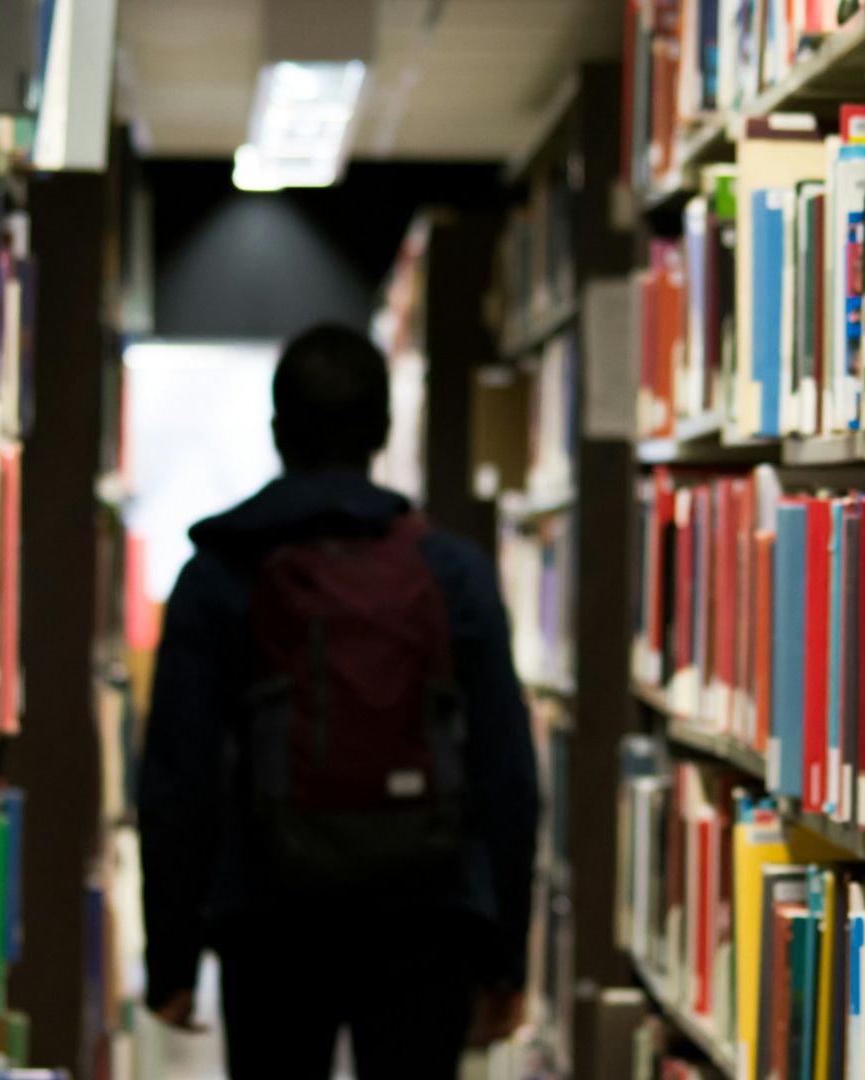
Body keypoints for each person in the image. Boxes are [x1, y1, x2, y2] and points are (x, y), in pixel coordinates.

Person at [137, 323, 542, 1079]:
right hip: (430, 917)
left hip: (268, 919)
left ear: (277, 431)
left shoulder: (218, 575)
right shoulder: (452, 573)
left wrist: (172, 963)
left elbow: (175, 780)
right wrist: (505, 959)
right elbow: (509, 778)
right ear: (383, 431)